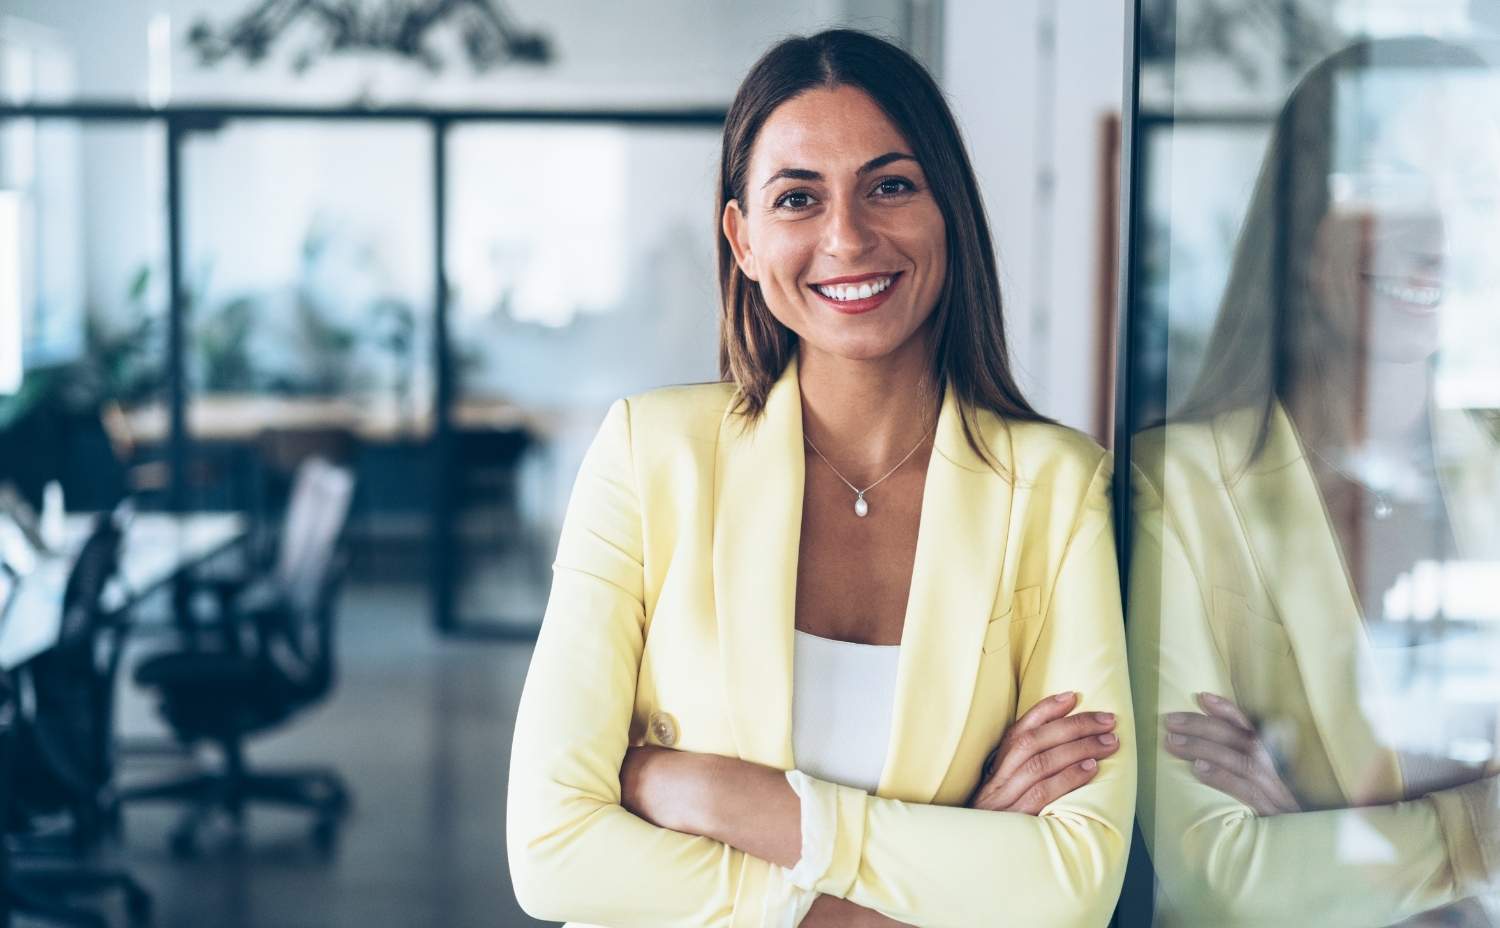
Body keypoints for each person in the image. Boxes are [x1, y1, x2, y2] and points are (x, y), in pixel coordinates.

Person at [508, 29, 1135, 927]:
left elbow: (1074, 882)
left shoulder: (1057, 488)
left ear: (946, 210)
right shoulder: (650, 455)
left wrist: (720, 798)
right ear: (745, 239)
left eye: (890, 186)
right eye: (798, 198)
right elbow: (551, 853)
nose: (847, 236)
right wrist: (933, 878)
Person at [1129, 37, 1500, 926]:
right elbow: (1219, 879)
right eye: (1396, 180)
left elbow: (1279, 878)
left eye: (1468, 185)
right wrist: (1475, 834)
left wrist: (1321, 839)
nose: (1435, 232)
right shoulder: (1177, 488)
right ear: (1302, 214)